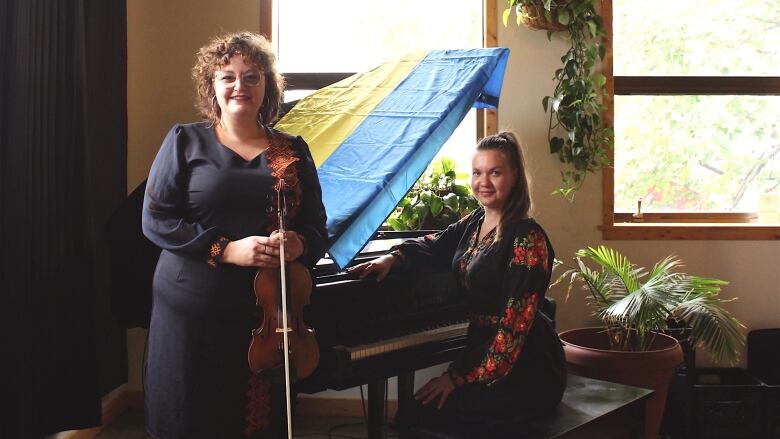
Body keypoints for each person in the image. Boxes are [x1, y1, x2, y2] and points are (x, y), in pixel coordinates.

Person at [141, 31, 327, 439]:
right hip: (191, 305)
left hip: (263, 311)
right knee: (191, 414)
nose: (239, 86)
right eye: (227, 77)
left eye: (252, 76)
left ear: (268, 86)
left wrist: (301, 243)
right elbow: (156, 218)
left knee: (252, 421)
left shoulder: (291, 149)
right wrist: (225, 250)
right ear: (212, 85)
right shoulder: (184, 140)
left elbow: (316, 224)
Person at [349, 132, 566, 435]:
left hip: (524, 368)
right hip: (481, 352)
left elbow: (511, 336)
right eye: (478, 172)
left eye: (496, 172)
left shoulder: (528, 239)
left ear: (515, 176)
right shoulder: (476, 222)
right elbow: (435, 243)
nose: (484, 182)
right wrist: (393, 259)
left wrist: (455, 378)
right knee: (415, 414)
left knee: (419, 415)